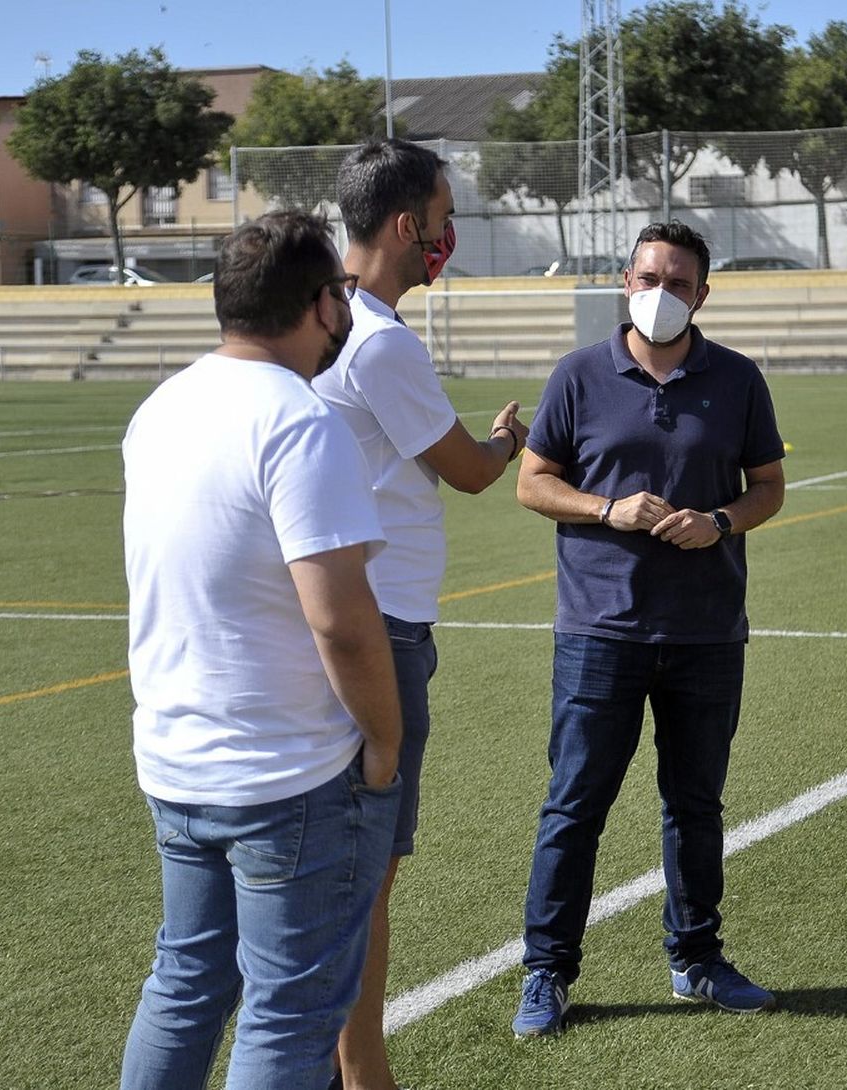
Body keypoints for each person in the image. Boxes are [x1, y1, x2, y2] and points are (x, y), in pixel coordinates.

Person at [119, 210, 403, 1090]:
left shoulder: (162, 406)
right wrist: (386, 742)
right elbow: (342, 621)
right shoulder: (301, 422)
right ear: (321, 304)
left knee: (185, 986)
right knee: (290, 1011)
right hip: (285, 770)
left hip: (177, 759)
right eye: (340, 297)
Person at [511, 221, 786, 1038]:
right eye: (646, 277)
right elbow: (533, 483)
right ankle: (547, 972)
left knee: (695, 805)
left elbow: (769, 485)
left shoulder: (736, 379)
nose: (659, 293)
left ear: (703, 294)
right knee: (574, 806)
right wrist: (607, 507)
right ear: (623, 282)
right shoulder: (578, 375)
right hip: (600, 631)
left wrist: (723, 523)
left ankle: (696, 958)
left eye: (677, 282)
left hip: (705, 633)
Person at [312, 137, 529, 1090]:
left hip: (332, 607)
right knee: (368, 874)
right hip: (383, 623)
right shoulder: (382, 339)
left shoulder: (315, 320)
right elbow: (471, 474)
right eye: (443, 220)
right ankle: (363, 1073)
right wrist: (510, 438)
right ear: (406, 225)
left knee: (325, 867)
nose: (447, 238)